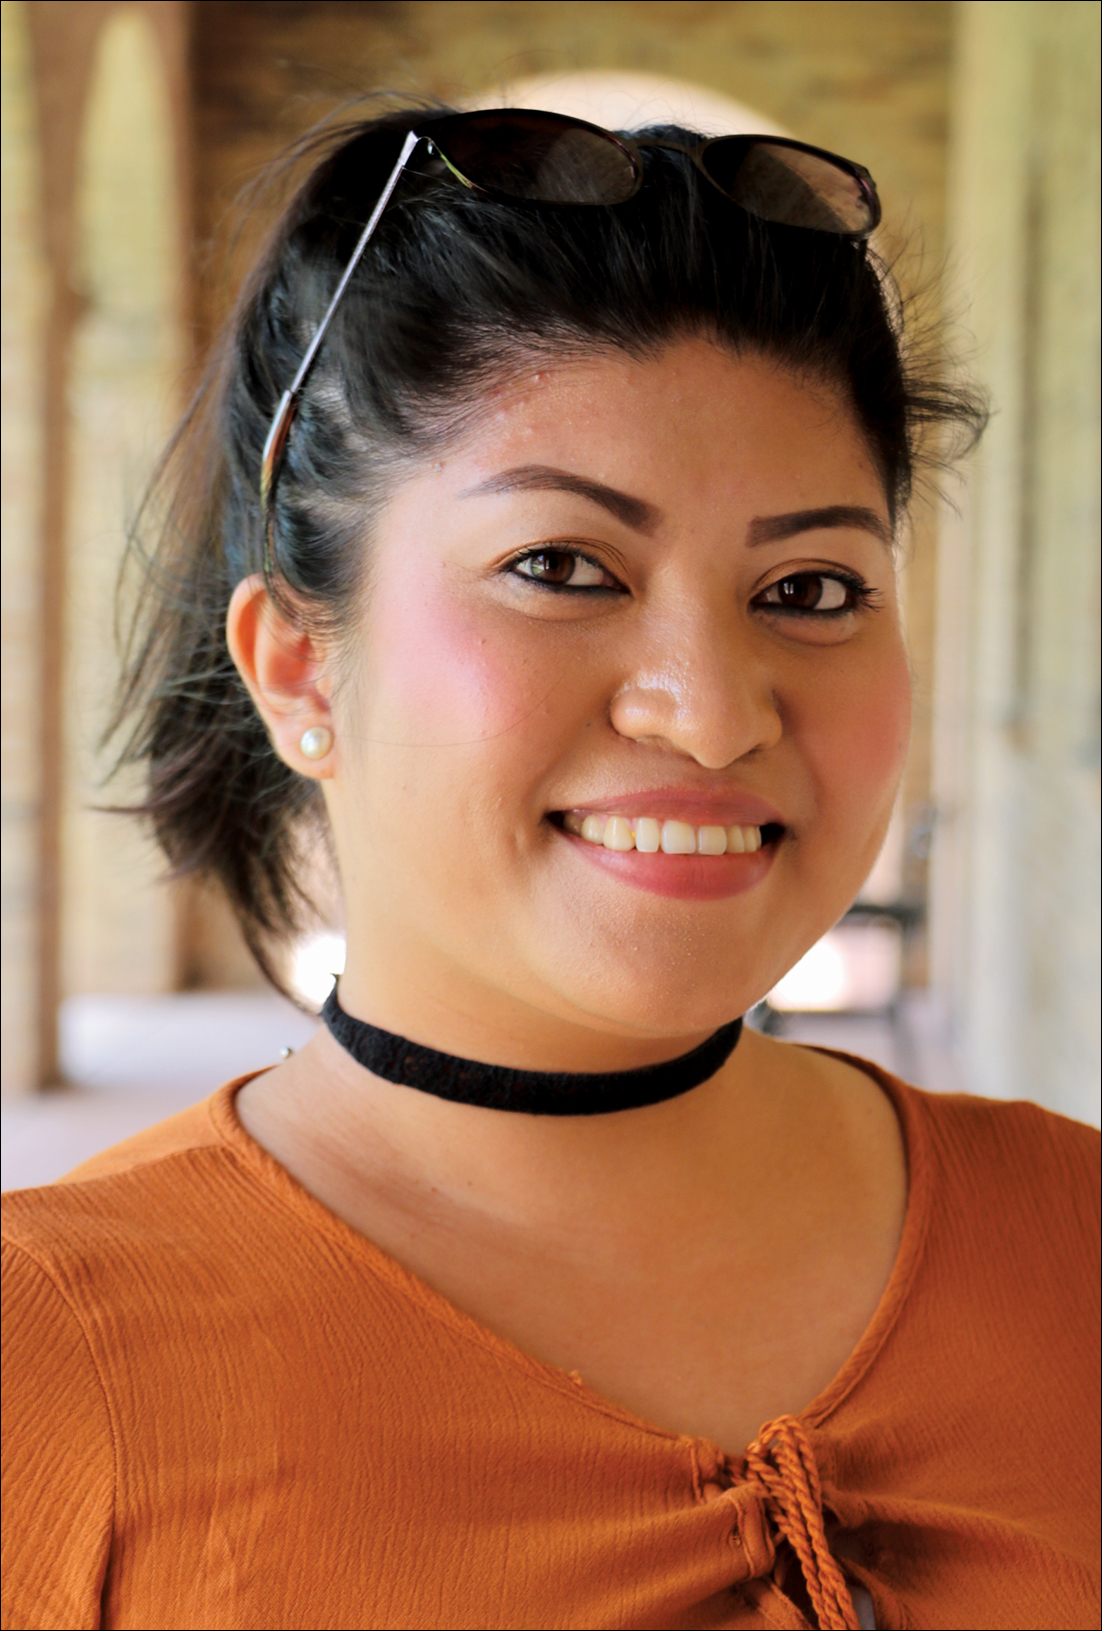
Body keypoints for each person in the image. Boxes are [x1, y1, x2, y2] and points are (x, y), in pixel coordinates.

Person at [2, 107, 1097, 1631]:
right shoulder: (52, 1368)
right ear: (301, 667)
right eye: (561, 568)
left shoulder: (1072, 1232)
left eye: (809, 588)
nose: (711, 713)